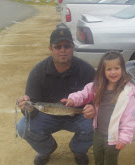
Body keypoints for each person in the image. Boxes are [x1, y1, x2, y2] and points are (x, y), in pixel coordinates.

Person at [16, 28, 96, 165]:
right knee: (24, 126)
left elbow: (98, 97)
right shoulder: (38, 72)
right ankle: (47, 149)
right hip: (47, 116)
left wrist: (94, 108)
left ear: (73, 47)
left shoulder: (86, 70)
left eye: (67, 46)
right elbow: (31, 108)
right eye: (58, 47)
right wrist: (26, 109)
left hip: (77, 115)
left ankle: (78, 150)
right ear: (50, 49)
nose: (63, 50)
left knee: (98, 124)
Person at [61, 51, 135, 165]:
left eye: (116, 68)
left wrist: (124, 138)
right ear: (103, 70)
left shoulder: (127, 93)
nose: (113, 72)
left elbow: (130, 119)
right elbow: (84, 94)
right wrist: (72, 100)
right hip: (98, 133)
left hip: (114, 136)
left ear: (122, 69)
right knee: (98, 156)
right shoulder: (98, 86)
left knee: (110, 160)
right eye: (109, 69)